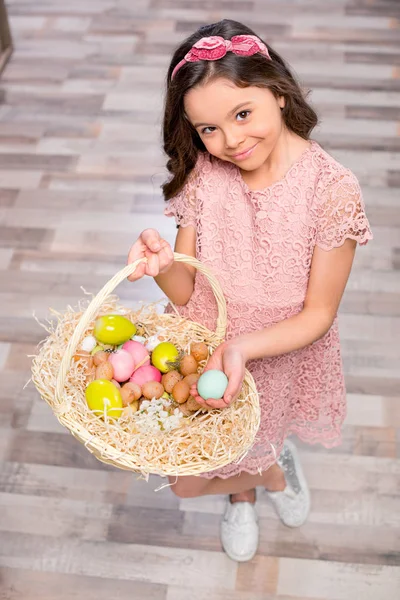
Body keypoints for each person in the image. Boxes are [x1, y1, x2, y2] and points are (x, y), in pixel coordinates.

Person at [127, 18, 373, 562]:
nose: (231, 141)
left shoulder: (332, 191)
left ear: (279, 92)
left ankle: (254, 478)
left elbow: (318, 314)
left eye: (242, 114)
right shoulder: (204, 175)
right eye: (208, 129)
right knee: (189, 478)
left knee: (256, 434)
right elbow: (186, 284)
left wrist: (241, 348)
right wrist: (163, 263)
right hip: (206, 339)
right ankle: (267, 480)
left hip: (275, 353)